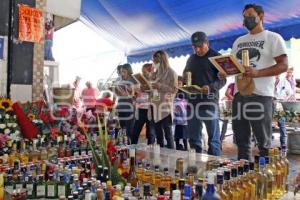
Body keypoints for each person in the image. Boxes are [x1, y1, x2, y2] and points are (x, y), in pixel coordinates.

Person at [225, 4, 288, 160]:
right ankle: (243, 177)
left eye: (250, 15)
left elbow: (284, 65)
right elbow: (234, 65)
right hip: (239, 95)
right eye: (244, 16)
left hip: (261, 95)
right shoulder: (239, 41)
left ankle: (265, 178)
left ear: (261, 16)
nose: (246, 19)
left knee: (263, 143)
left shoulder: (272, 38)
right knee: (241, 141)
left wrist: (258, 72)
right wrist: (224, 73)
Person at [183, 31, 226, 155]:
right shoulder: (191, 58)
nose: (197, 49)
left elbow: (222, 80)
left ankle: (215, 168)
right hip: (192, 103)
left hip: (209, 103)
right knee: (194, 139)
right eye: (194, 47)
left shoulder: (216, 57)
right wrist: (184, 81)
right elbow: (185, 76)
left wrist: (211, 87)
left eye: (200, 46)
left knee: (213, 140)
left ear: (207, 43)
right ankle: (195, 168)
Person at [150, 50, 178, 149]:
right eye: (153, 61)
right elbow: (152, 89)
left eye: (156, 61)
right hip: (155, 106)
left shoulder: (171, 72)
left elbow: (174, 89)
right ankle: (160, 156)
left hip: (165, 107)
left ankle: (171, 156)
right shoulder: (154, 73)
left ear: (162, 60)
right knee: (158, 135)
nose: (154, 63)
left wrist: (160, 86)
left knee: (168, 134)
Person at [131, 63, 156, 145]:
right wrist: (134, 98)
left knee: (151, 133)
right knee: (135, 131)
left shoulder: (155, 82)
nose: (143, 74)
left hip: (150, 110)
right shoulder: (138, 83)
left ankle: (151, 153)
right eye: (142, 72)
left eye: (145, 72)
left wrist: (150, 90)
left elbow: (157, 97)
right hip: (140, 110)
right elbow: (135, 98)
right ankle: (132, 151)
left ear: (151, 72)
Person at [115, 64, 136, 141]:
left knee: (129, 130)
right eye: (121, 72)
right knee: (120, 128)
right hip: (121, 106)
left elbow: (136, 95)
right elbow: (117, 93)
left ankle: (130, 147)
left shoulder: (134, 80)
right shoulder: (119, 80)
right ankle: (121, 147)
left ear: (129, 71)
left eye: (124, 72)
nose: (122, 73)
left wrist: (129, 91)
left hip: (130, 107)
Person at [274, 75, 293, 148]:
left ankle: (283, 145)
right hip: (270, 104)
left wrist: (285, 99)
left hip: (280, 106)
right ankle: (266, 146)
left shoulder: (285, 82)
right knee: (267, 125)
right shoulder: (270, 80)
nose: (277, 76)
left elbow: (290, 93)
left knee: (282, 124)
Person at [173, 76, 188, 151]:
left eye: (180, 83)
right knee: (177, 132)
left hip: (184, 116)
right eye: (177, 83)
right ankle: (177, 146)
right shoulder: (173, 91)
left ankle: (185, 147)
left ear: (182, 83)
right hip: (176, 116)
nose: (178, 85)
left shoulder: (185, 91)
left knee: (184, 132)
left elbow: (187, 103)